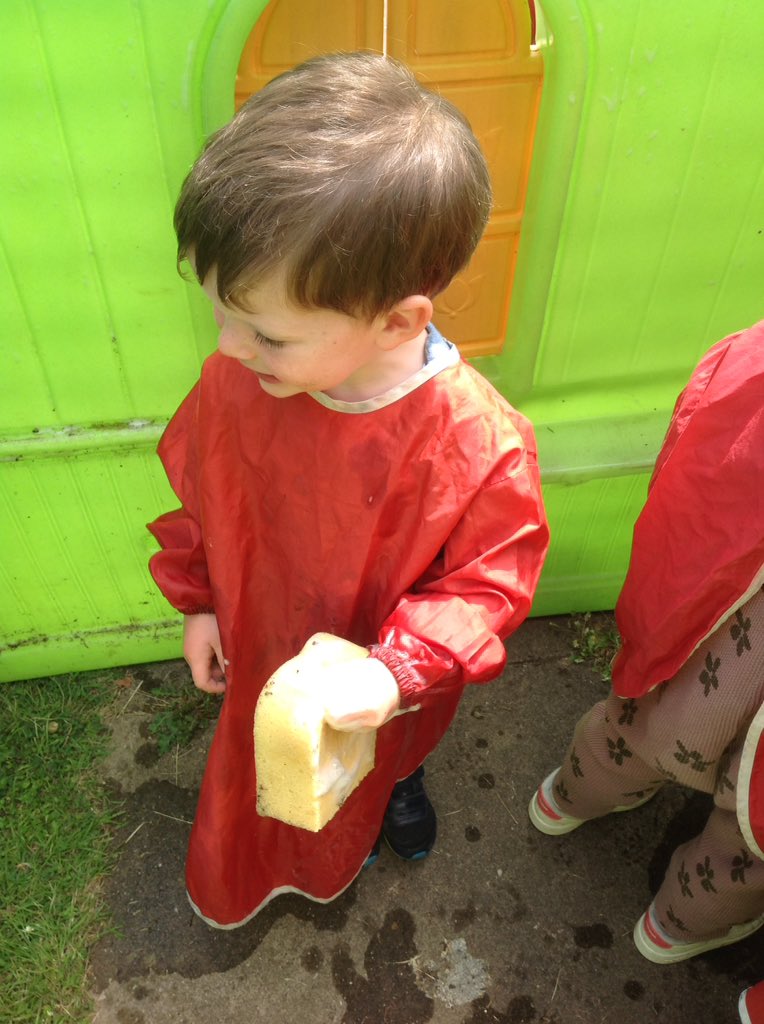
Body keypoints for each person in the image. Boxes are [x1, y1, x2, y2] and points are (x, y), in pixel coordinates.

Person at [147, 51, 549, 929]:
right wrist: (201, 603)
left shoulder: (474, 442)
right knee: (276, 753)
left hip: (383, 669)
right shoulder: (245, 379)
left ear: (398, 321)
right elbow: (203, 498)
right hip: (262, 629)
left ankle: (398, 780)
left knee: (385, 745)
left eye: (263, 332)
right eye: (220, 312)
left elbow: (487, 583)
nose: (228, 348)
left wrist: (398, 670)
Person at [529, 320, 764, 971]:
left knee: (641, 722)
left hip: (716, 617)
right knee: (752, 832)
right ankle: (678, 921)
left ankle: (571, 796)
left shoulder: (751, 361)